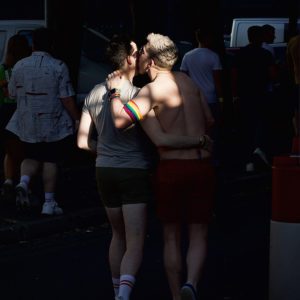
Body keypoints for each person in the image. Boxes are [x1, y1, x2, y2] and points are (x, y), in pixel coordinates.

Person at [77, 34, 212, 300]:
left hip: (164, 168)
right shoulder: (191, 83)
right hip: (199, 165)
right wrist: (198, 138)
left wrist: (115, 92)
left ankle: (170, 295)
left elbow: (118, 123)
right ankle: (192, 284)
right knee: (198, 233)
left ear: (150, 61)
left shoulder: (147, 92)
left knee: (167, 235)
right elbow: (209, 119)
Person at [6, 27, 81, 215]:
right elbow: (66, 98)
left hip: (27, 123)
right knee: (50, 160)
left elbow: (13, 94)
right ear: (51, 45)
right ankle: (49, 202)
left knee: (30, 156)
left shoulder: (19, 66)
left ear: (33, 45)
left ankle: (23, 181)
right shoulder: (58, 66)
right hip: (52, 122)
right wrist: (77, 118)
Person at [231, 25, 276, 172]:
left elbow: (235, 75)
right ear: (260, 37)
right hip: (261, 94)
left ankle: (246, 158)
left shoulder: (240, 54)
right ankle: (258, 151)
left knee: (246, 127)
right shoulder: (265, 54)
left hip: (244, 94)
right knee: (262, 124)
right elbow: (272, 74)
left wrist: (235, 94)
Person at [180, 27, 223, 165]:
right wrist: (221, 99)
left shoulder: (188, 56)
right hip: (210, 97)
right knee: (211, 129)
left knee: (196, 127)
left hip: (194, 98)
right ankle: (210, 156)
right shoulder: (213, 56)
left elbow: (184, 78)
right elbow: (217, 81)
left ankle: (196, 155)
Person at [0, 34, 31, 204]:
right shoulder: (26, 67)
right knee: (23, 148)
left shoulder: (4, 68)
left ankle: (8, 181)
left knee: (9, 150)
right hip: (22, 110)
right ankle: (23, 181)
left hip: (5, 111)